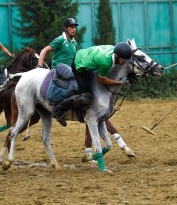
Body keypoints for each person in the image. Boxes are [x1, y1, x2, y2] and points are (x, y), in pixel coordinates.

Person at [38, 18, 134, 160]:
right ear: (66, 28)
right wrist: (40, 64)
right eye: (71, 27)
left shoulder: (75, 42)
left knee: (91, 93)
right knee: (85, 95)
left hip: (78, 66)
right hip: (62, 69)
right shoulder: (60, 40)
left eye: (75, 27)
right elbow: (46, 49)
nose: (74, 29)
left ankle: (89, 147)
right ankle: (59, 110)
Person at [52, 42, 133, 127]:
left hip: (86, 57)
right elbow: (102, 80)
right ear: (116, 56)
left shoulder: (114, 50)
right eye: (124, 60)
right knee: (87, 97)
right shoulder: (105, 62)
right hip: (79, 65)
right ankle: (59, 109)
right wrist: (118, 82)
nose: (125, 62)